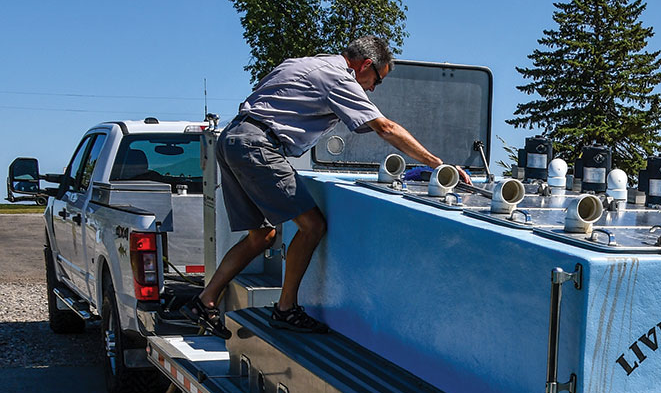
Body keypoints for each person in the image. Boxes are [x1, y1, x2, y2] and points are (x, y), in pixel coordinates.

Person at [186, 36, 470, 336]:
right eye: (377, 80)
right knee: (312, 226)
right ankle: (285, 309)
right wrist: (437, 163)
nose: (372, 88)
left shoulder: (306, 62)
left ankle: (204, 301)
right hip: (258, 145)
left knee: (262, 236)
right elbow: (385, 128)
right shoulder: (339, 78)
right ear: (365, 65)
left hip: (233, 139)